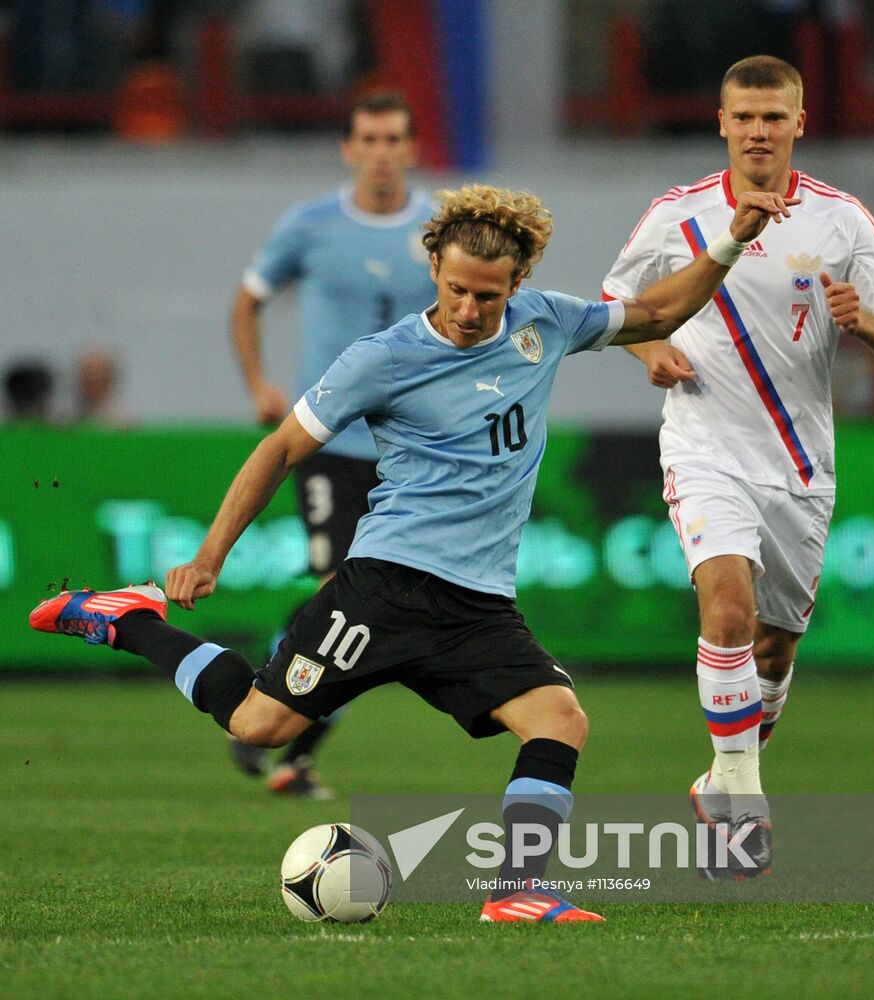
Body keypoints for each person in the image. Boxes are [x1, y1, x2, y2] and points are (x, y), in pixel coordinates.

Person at [30, 181, 795, 922]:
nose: (468, 309)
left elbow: (661, 306)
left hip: (480, 605)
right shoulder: (385, 357)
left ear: (517, 283)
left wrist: (730, 238)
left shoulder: (547, 324)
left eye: (487, 295)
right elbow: (280, 449)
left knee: (561, 720)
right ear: (434, 267)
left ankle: (515, 892)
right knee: (257, 728)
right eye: (457, 288)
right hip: (386, 588)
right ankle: (128, 620)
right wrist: (208, 556)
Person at [602, 54, 874, 879]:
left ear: (798, 124)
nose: (758, 130)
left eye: (774, 117)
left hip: (801, 465)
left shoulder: (844, 221)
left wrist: (866, 324)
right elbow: (619, 308)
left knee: (774, 650)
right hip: (706, 446)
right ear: (721, 123)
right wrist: (653, 348)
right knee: (729, 614)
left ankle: (721, 776)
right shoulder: (677, 214)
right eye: (744, 116)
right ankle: (743, 797)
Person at [228, 89, 436, 798]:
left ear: (411, 148)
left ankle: (283, 733)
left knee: (372, 610)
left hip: (415, 450)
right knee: (338, 594)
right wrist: (259, 382)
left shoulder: (441, 227)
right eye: (369, 140)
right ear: (349, 150)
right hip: (332, 438)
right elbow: (249, 298)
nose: (381, 153)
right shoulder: (311, 225)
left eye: (393, 139)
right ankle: (280, 733)